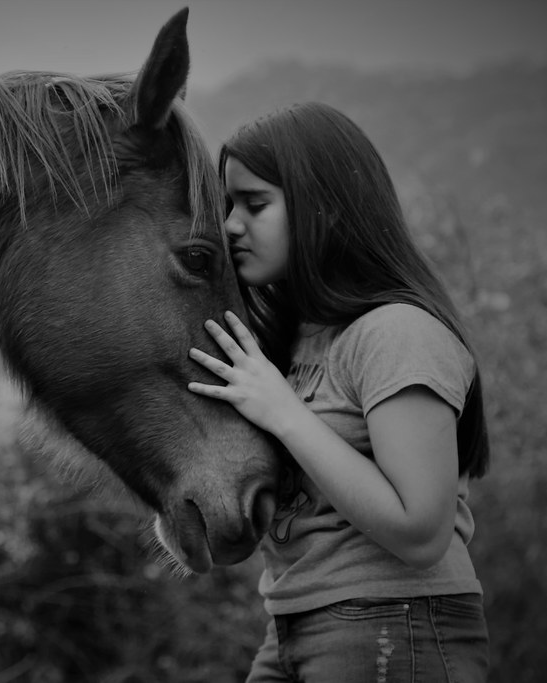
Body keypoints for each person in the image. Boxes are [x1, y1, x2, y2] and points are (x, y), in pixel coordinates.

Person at [187, 102, 491, 682]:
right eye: (229, 205)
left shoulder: (397, 333)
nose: (230, 225)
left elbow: (421, 532)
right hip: (292, 624)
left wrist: (284, 414)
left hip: (394, 623)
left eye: (254, 205)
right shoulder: (293, 342)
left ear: (323, 211)